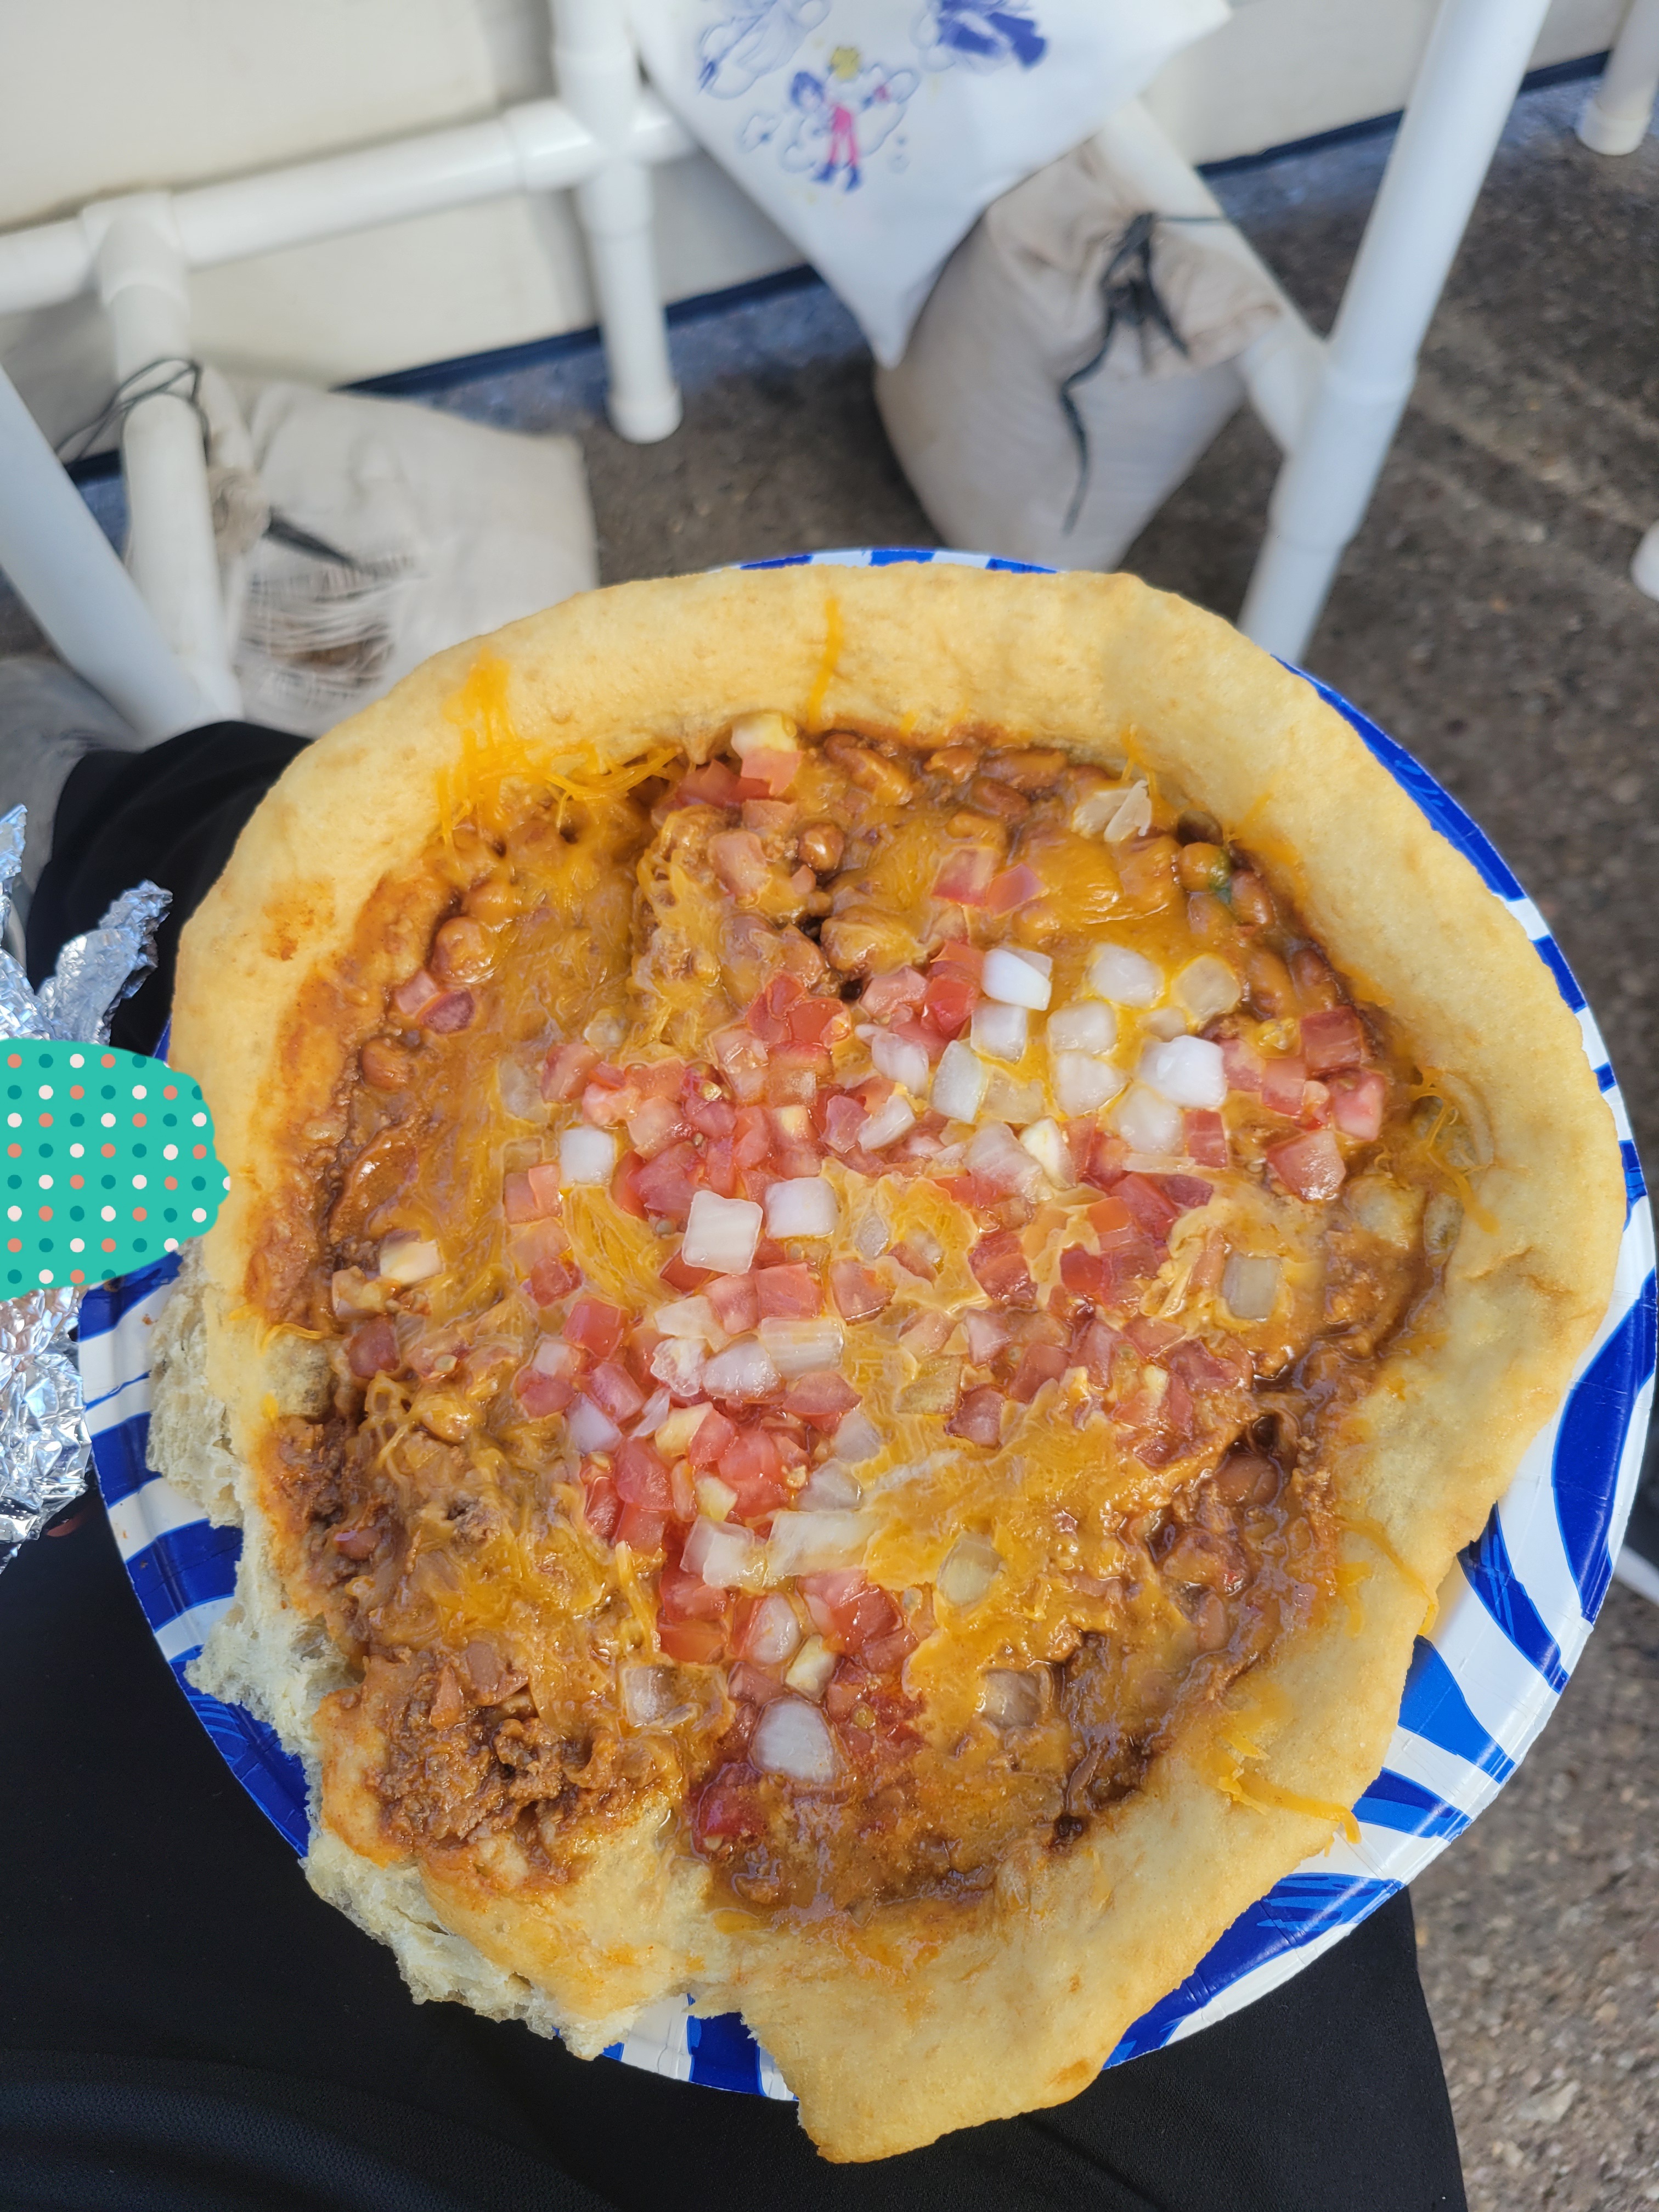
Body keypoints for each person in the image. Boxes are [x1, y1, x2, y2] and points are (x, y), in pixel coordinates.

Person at [0, 658, 1468, 2211]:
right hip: (1093, 2049)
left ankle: (100, 801)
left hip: (113, 1902)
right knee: (224, 831)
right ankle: (114, 793)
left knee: (211, 840)